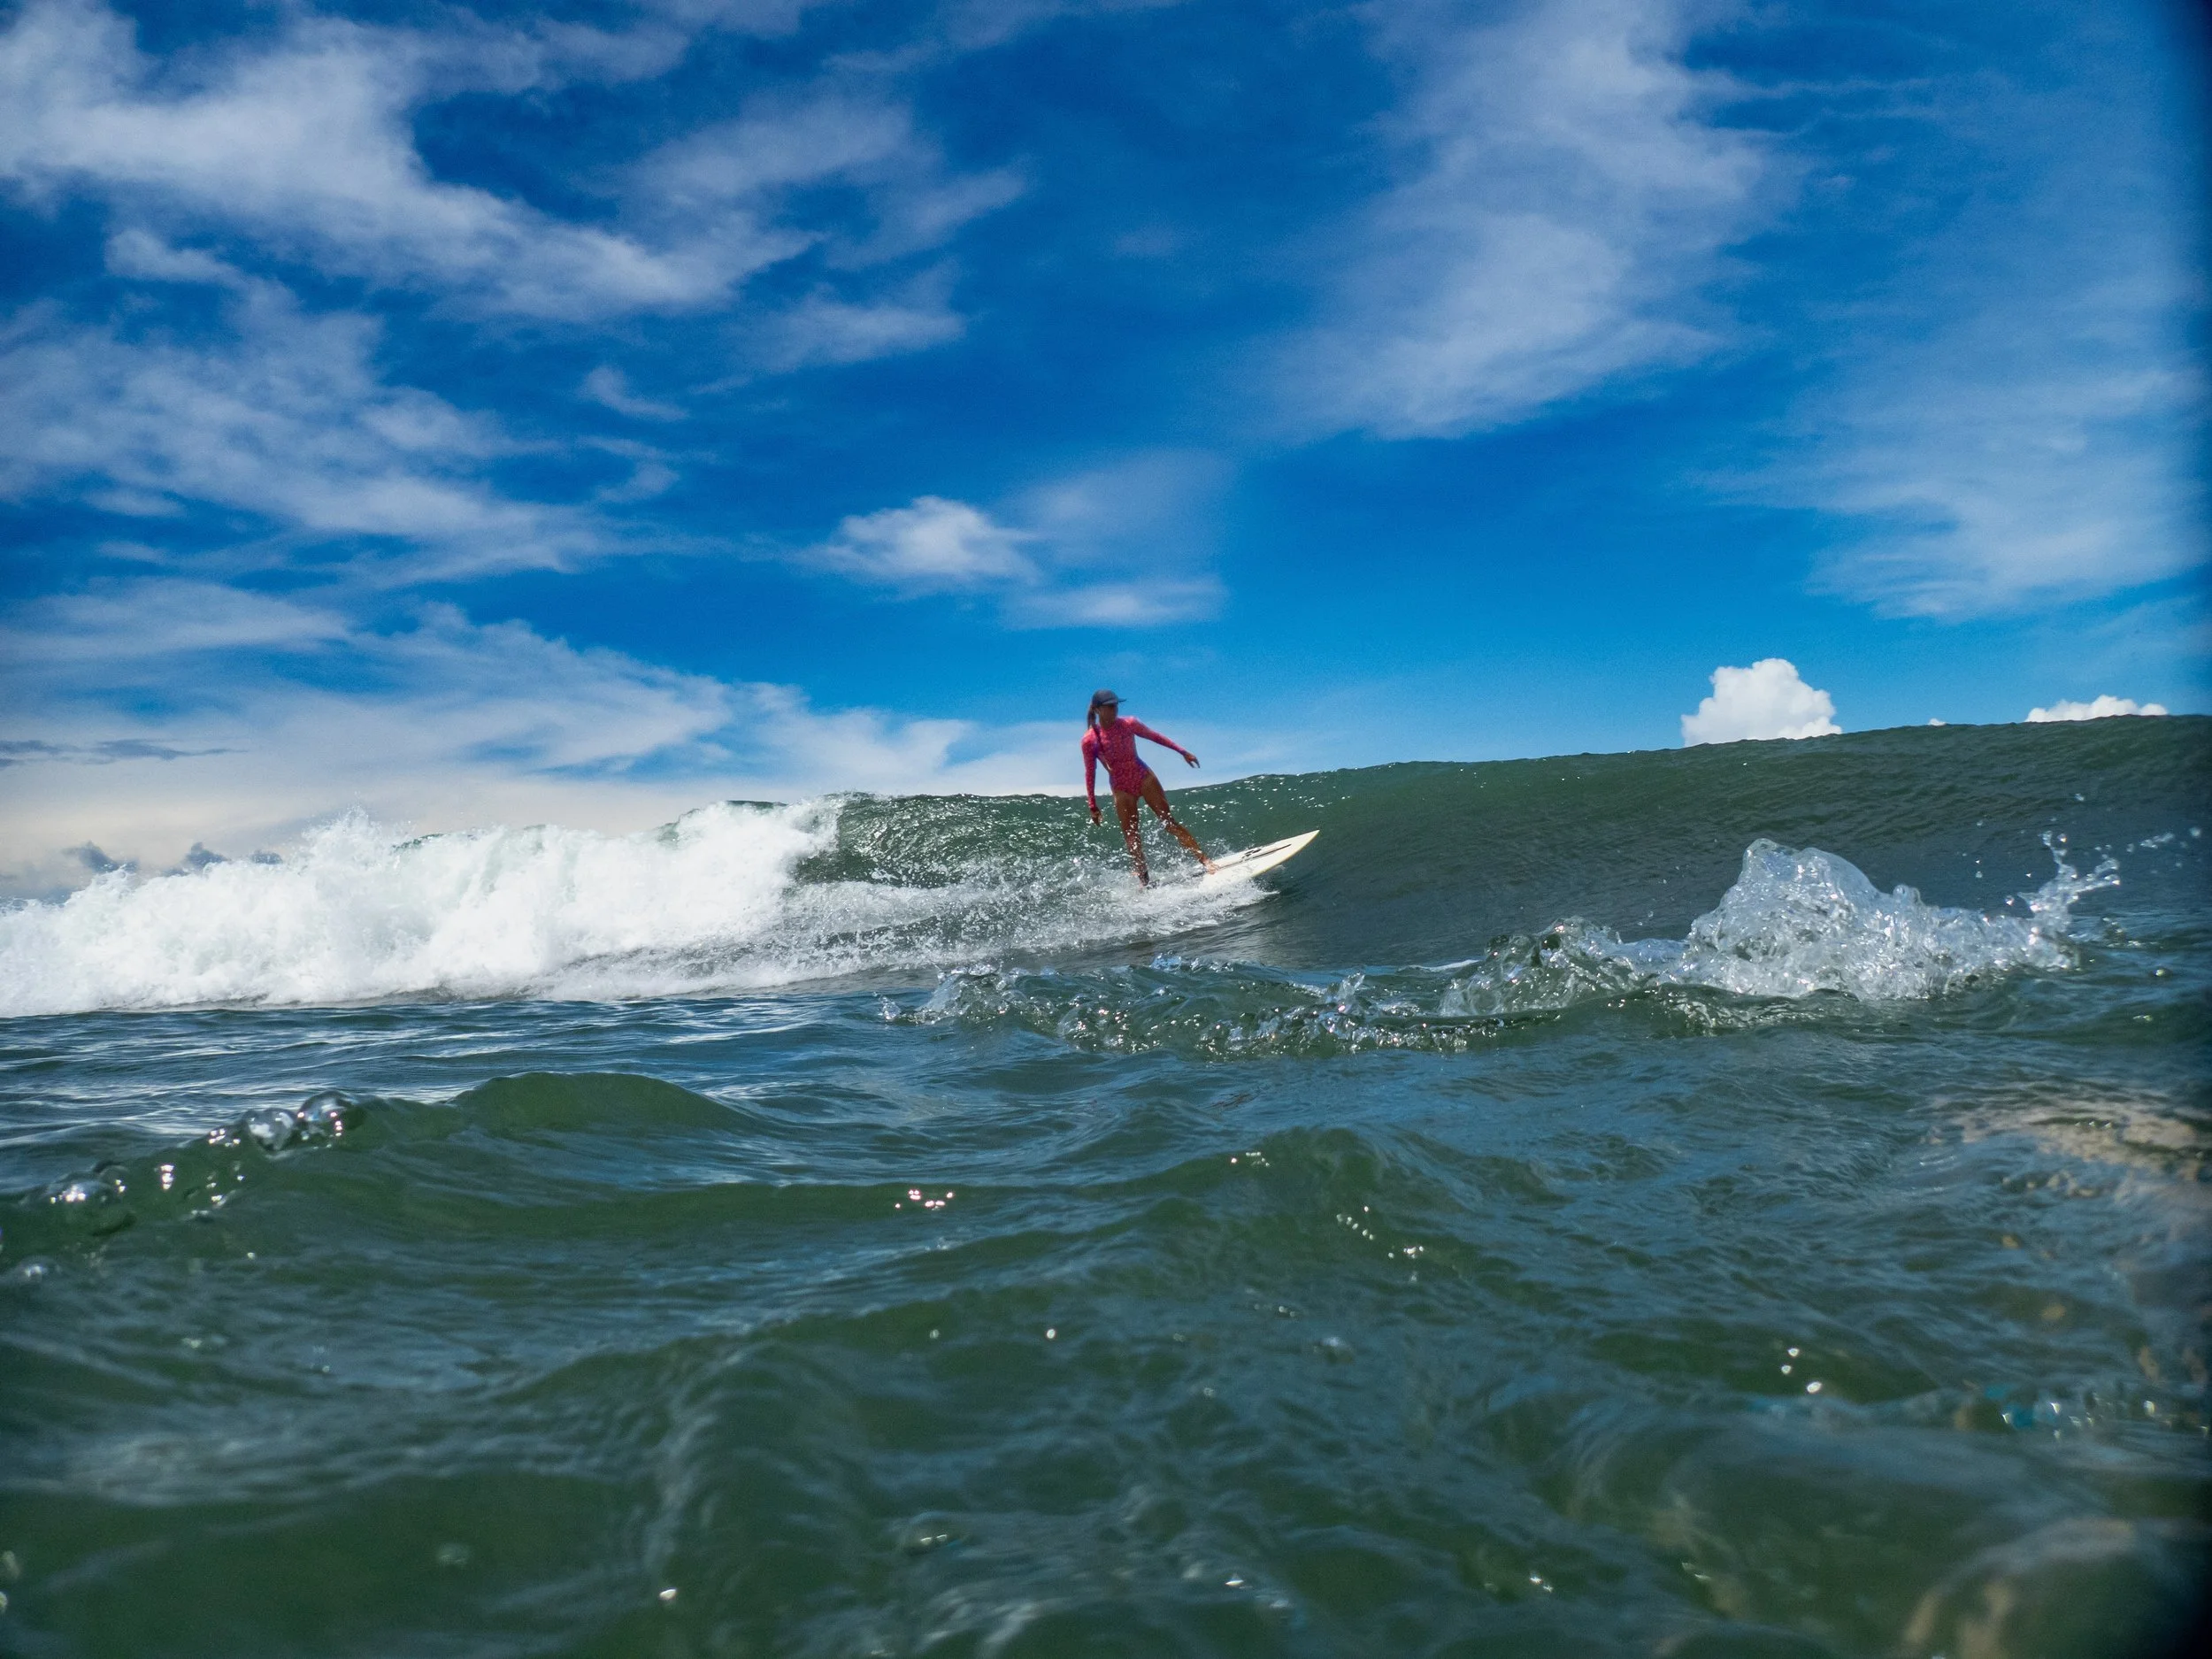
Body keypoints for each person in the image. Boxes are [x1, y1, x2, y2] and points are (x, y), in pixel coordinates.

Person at [1081, 689, 1214, 886]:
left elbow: (1155, 737)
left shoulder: (1129, 724)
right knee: (1132, 837)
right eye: (1110, 706)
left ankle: (1206, 861)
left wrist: (1182, 752)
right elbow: (1090, 772)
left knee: (1169, 822)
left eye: (1116, 705)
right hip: (1120, 787)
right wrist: (1093, 805)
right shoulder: (1089, 740)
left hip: (1143, 777)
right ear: (1098, 709)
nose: (1115, 709)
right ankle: (1145, 882)